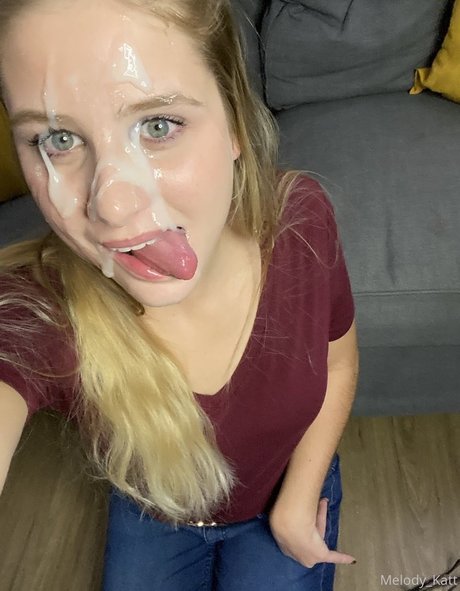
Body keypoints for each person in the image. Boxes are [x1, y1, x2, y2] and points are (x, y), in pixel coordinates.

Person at [0, 0, 359, 589]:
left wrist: (297, 503)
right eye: (58, 139)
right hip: (156, 514)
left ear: (236, 124)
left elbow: (339, 361)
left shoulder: (300, 222)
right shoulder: (39, 313)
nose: (112, 206)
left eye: (158, 126)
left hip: (283, 494)